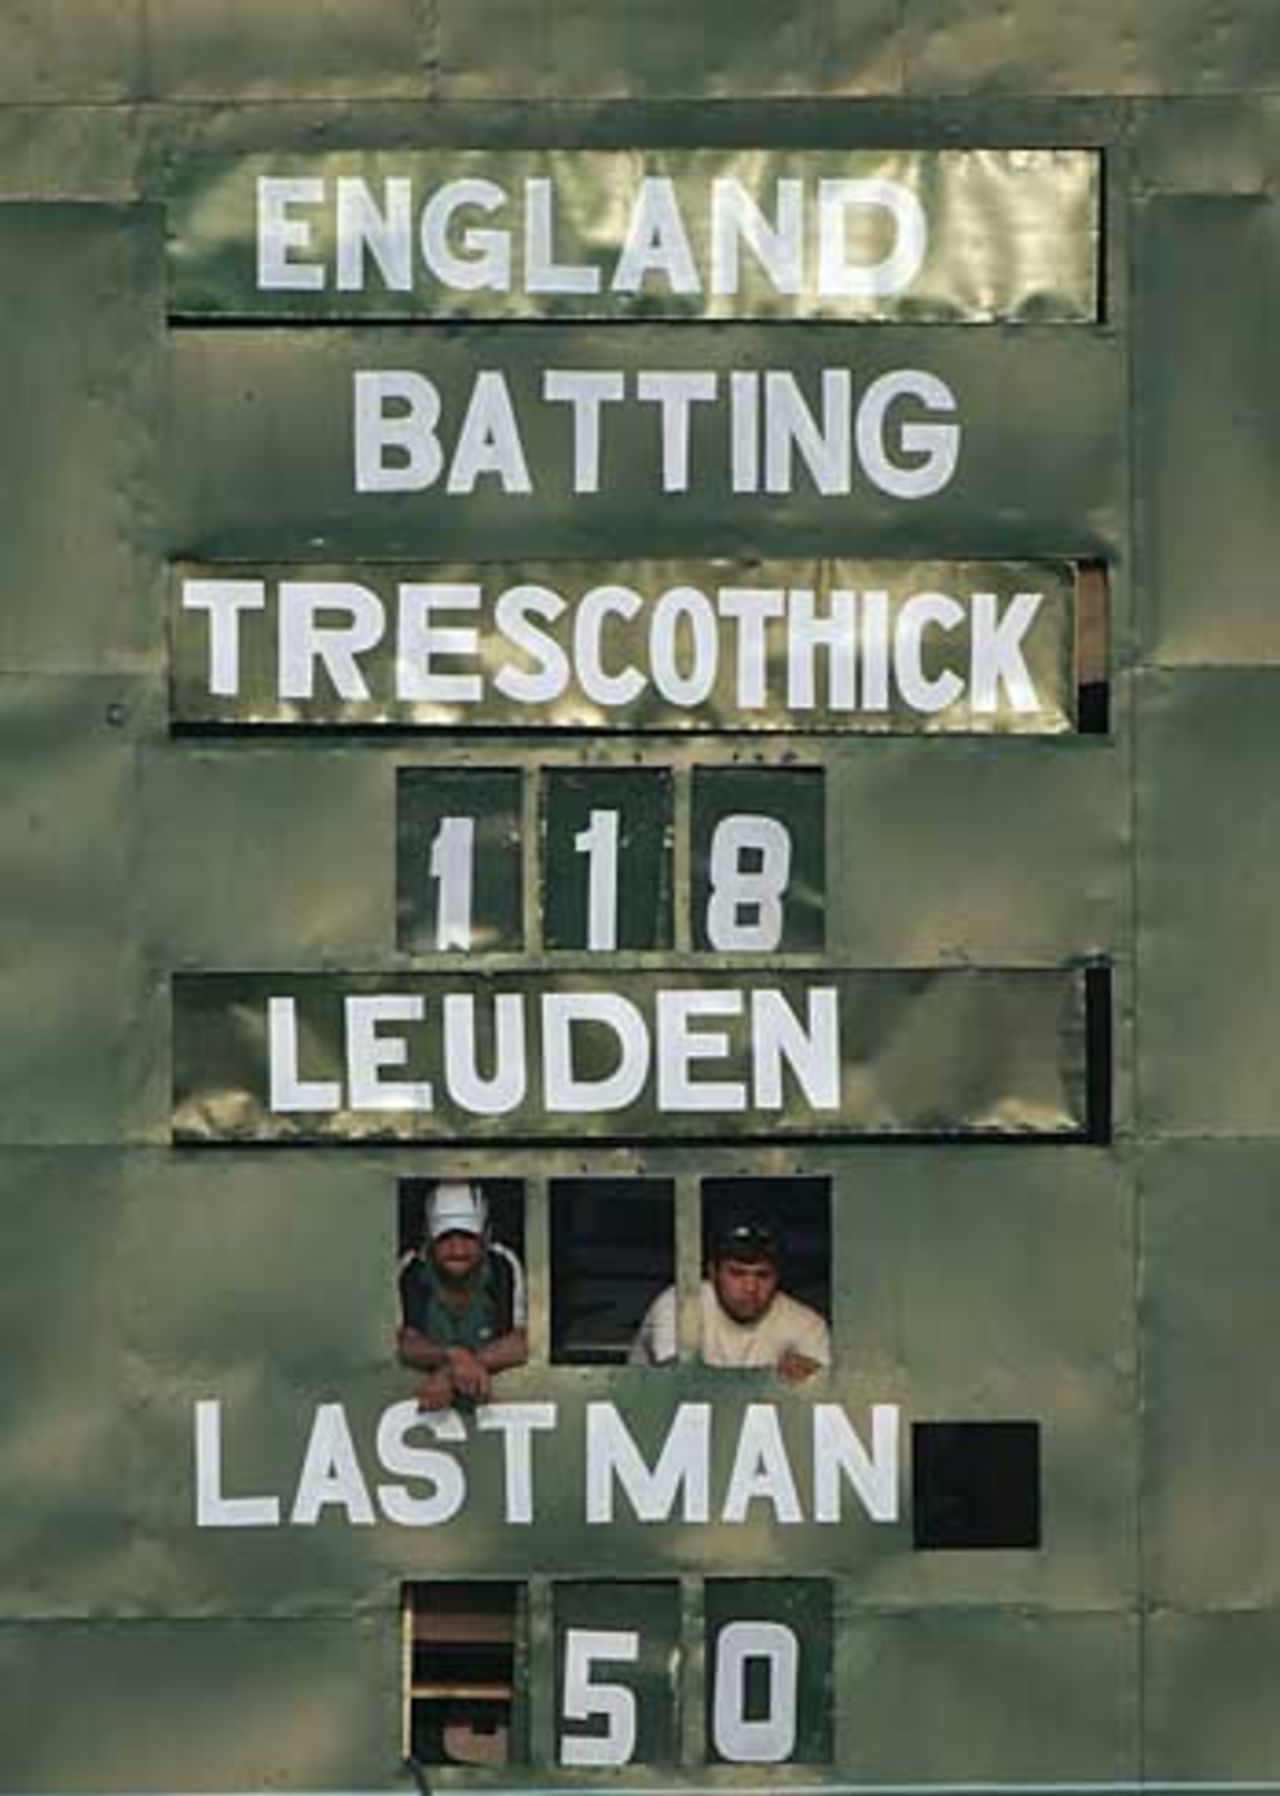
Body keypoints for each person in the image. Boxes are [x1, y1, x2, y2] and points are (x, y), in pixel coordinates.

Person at [628, 1220, 830, 1383]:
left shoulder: (807, 1324)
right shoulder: (680, 1304)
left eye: (763, 1275)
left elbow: (833, 1399)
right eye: (737, 1273)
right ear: (713, 1272)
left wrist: (813, 1376)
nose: (751, 1288)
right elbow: (677, 1385)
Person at [398, 1181, 528, 1410]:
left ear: (486, 1236)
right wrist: (454, 1356)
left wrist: (456, 1368)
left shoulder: (503, 1266)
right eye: (445, 1238)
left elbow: (520, 1341)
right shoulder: (411, 1270)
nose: (457, 1250)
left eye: (468, 1238)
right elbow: (405, 1342)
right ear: (428, 1237)